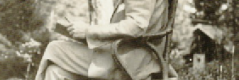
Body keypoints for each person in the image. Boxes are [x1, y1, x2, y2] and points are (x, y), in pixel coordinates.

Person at [35, 0, 172, 80]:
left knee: (55, 49)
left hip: (130, 60)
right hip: (126, 52)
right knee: (55, 72)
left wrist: (88, 31)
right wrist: (84, 33)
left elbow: (136, 26)